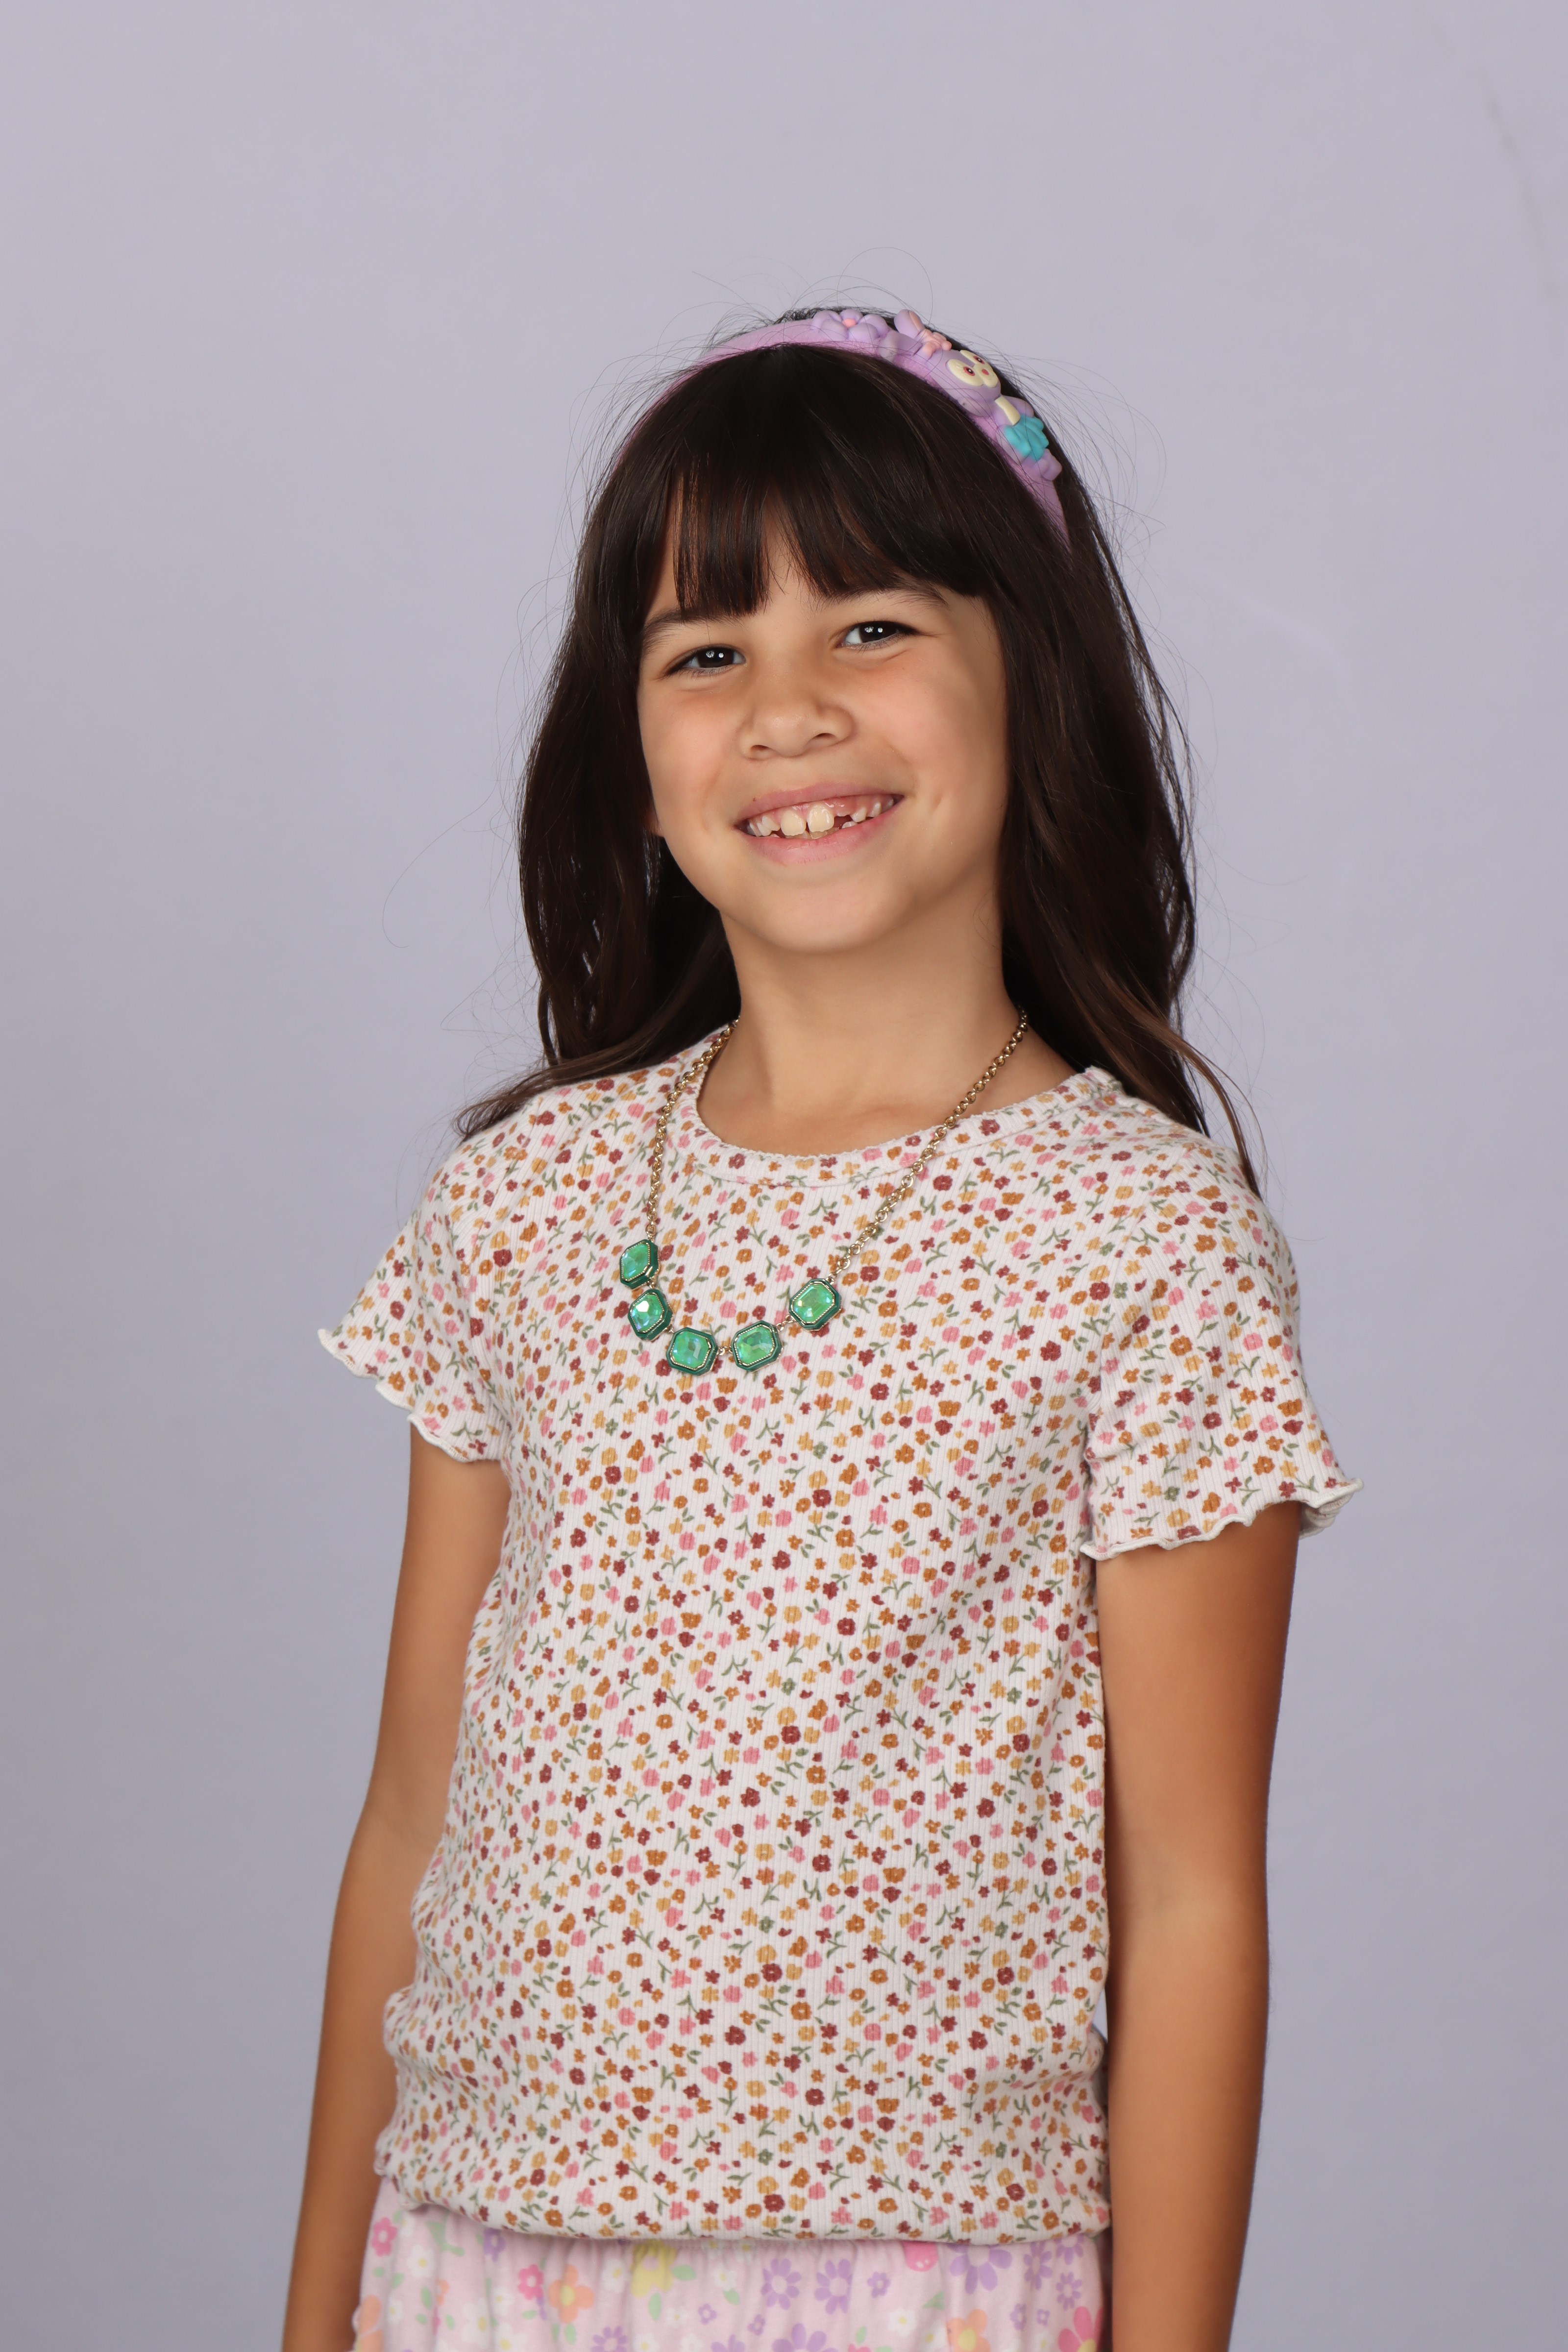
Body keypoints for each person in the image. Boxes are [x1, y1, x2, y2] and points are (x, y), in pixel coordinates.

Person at [282, 306, 1358, 2352]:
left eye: (870, 626)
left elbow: (1193, 1901)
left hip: (921, 2281)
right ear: (633, 751)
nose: (786, 710)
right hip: (476, 2258)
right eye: (705, 653)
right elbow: (410, 1807)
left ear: (1031, 676)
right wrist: (318, 2308)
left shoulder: (1141, 1239)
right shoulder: (523, 1204)